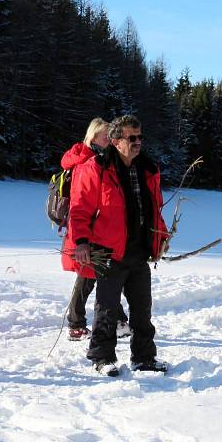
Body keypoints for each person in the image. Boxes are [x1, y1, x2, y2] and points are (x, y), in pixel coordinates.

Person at [68, 115, 169, 375]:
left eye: (140, 137)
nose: (137, 143)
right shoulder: (96, 168)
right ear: (115, 141)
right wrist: (81, 242)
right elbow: (79, 209)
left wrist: (161, 236)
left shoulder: (148, 169)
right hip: (107, 250)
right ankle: (102, 358)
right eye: (131, 138)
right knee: (107, 309)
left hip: (138, 250)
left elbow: (155, 209)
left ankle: (144, 357)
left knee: (142, 310)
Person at [60, 118, 130, 341]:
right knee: (91, 275)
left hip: (95, 229)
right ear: (93, 137)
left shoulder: (91, 158)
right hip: (88, 230)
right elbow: (83, 202)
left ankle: (114, 321)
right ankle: (77, 324)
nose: (109, 140)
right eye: (105, 137)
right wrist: (83, 236)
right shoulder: (88, 162)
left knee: (102, 275)